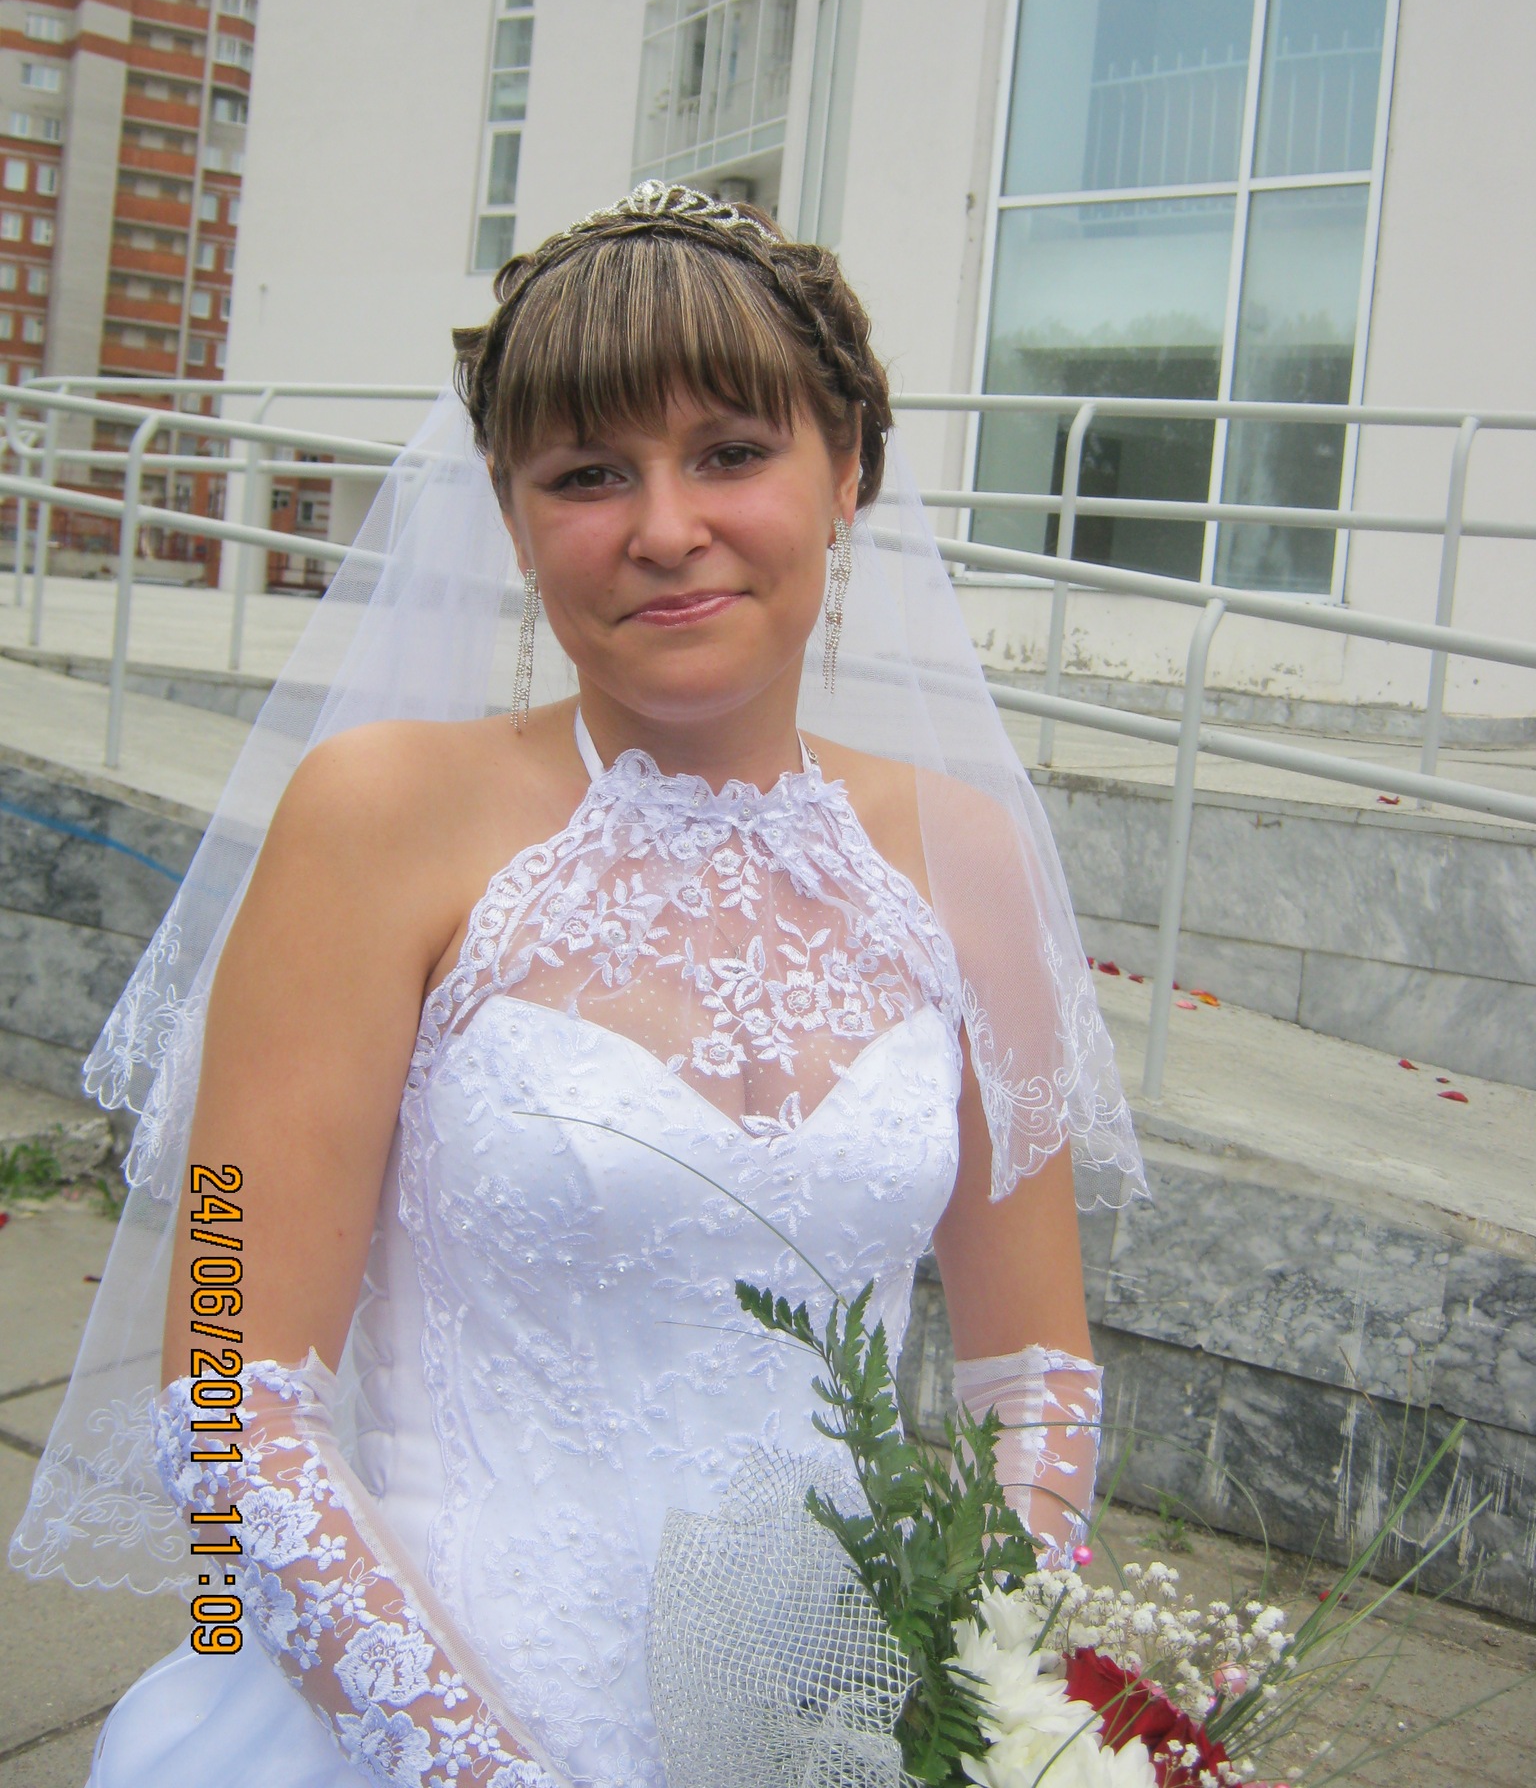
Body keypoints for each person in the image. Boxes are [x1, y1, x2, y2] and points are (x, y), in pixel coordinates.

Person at [10, 183, 1144, 1787]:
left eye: (730, 453)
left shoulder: (971, 858)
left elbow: (1037, 1384)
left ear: (849, 469)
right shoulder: (379, 817)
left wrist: (980, 1708)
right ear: (512, 510)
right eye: (588, 474)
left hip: (821, 1737)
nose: (664, 527)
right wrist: (485, 1772)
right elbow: (226, 1393)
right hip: (415, 1726)